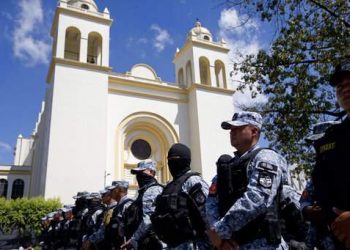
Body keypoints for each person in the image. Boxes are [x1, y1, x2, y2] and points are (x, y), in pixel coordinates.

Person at [206, 111, 289, 249]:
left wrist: (221, 230)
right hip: (231, 244)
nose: (232, 132)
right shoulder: (229, 166)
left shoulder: (266, 158)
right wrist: (220, 239)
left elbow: (258, 198)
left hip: (263, 243)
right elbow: (211, 202)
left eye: (237, 128)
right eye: (231, 129)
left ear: (254, 131)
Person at [311, 63, 350, 249]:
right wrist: (337, 220)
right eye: (340, 87)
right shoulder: (332, 137)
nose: (345, 90)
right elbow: (321, 185)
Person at [151, 143, 210, 249]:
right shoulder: (169, 187)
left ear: (185, 160)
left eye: (175, 159)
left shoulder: (193, 181)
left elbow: (208, 215)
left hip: (194, 244)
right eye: (169, 159)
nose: (171, 162)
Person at [300, 121, 340, 250]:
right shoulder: (318, 173)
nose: (317, 146)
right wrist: (308, 210)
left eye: (322, 141)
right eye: (315, 143)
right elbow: (304, 200)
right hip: (323, 239)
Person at [121, 159, 163, 250]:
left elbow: (148, 220)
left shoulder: (153, 190)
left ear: (152, 172)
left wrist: (133, 239)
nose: (138, 176)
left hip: (151, 243)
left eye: (141, 172)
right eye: (137, 174)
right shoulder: (143, 192)